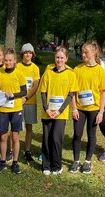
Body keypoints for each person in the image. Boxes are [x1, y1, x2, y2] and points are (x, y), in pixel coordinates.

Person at [69, 41, 105, 174]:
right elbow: (73, 92)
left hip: (94, 109)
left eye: (86, 52)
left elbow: (104, 92)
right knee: (77, 134)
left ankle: (87, 162)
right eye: (82, 52)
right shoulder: (77, 69)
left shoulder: (100, 71)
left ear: (94, 53)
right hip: (80, 109)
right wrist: (74, 108)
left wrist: (101, 112)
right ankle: (75, 161)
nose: (83, 54)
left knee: (91, 135)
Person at [39, 46, 78, 175]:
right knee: (46, 139)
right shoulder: (48, 73)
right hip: (47, 113)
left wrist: (60, 111)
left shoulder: (71, 74)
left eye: (62, 57)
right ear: (54, 58)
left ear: (66, 58)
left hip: (60, 114)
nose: (59, 60)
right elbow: (43, 92)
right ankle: (46, 165)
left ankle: (56, 165)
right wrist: (47, 108)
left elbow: (70, 95)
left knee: (56, 139)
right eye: (57, 57)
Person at [0, 48, 27, 174]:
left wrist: (13, 95)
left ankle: (15, 162)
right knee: (3, 136)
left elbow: (24, 92)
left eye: (10, 60)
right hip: (3, 109)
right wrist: (0, 92)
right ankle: (2, 161)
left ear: (15, 61)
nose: (7, 62)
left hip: (16, 109)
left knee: (15, 136)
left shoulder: (19, 74)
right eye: (6, 60)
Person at [16, 43, 40, 163]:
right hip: (18, 102)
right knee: (16, 127)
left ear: (32, 54)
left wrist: (25, 98)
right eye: (26, 52)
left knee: (29, 126)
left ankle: (27, 151)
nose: (28, 55)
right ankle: (13, 150)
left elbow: (35, 86)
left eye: (30, 52)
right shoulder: (17, 66)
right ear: (22, 54)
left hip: (30, 101)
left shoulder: (35, 68)